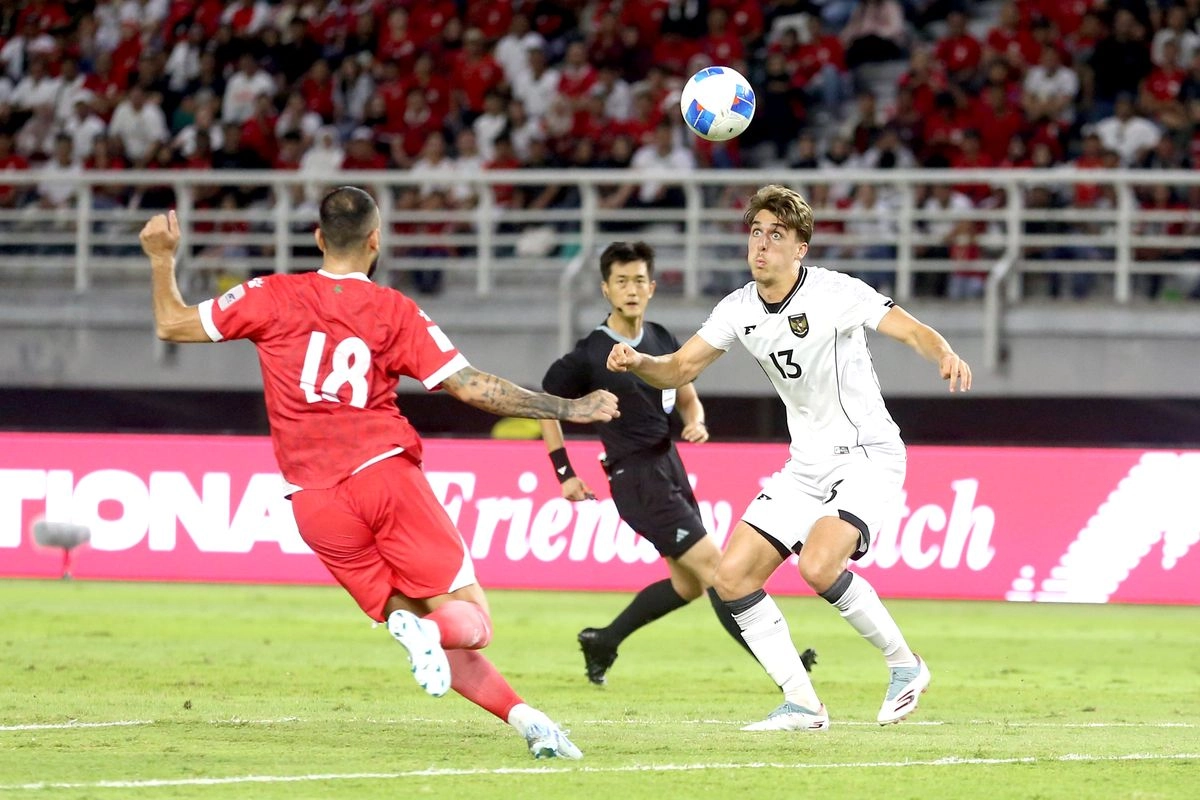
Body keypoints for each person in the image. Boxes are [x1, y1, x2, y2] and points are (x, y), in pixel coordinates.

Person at [138, 186, 620, 760]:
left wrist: (162, 258)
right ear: (376, 240)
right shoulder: (393, 310)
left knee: (414, 621)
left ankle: (527, 720)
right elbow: (470, 386)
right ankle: (436, 642)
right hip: (381, 476)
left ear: (317, 237)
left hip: (312, 503)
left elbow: (171, 323)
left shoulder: (269, 294)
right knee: (471, 621)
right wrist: (567, 407)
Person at [606, 184, 972, 731]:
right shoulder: (738, 308)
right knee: (731, 577)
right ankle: (803, 703)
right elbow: (680, 369)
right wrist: (638, 362)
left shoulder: (834, 292)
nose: (762, 245)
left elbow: (910, 329)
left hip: (866, 454)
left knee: (819, 566)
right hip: (805, 467)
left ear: (801, 248)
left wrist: (942, 352)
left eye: (777, 235)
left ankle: (905, 666)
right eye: (756, 232)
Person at [539, 241, 818, 686]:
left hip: (669, 465)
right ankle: (783, 665)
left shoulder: (661, 338)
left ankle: (603, 640)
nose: (630, 290)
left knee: (688, 585)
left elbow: (684, 391)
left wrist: (697, 420)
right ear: (606, 290)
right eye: (620, 282)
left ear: (651, 288)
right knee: (718, 570)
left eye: (638, 281)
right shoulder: (590, 353)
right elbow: (547, 406)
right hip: (635, 476)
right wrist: (564, 473)